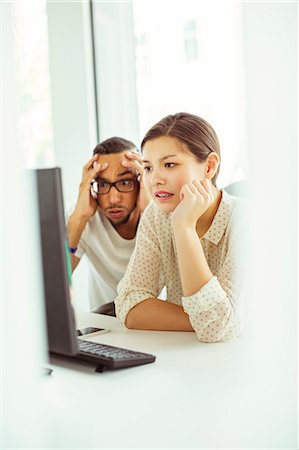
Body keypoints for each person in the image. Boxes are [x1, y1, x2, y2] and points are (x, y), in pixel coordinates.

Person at [115, 112, 245, 342]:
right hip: (187, 358)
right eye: (148, 168)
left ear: (209, 166)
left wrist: (184, 228)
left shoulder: (247, 221)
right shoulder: (157, 215)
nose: (155, 179)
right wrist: (208, 322)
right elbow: (129, 304)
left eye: (169, 164)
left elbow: (216, 326)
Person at [66, 136, 149, 315]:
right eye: (102, 184)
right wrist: (79, 218)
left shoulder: (160, 212)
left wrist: (152, 212)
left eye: (125, 182)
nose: (113, 199)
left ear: (141, 182)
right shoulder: (83, 217)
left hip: (156, 326)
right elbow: (55, 284)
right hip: (103, 325)